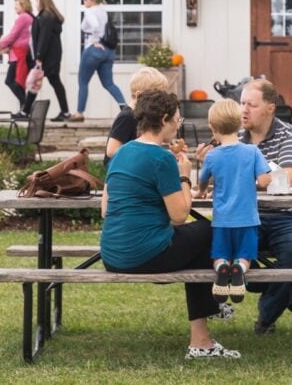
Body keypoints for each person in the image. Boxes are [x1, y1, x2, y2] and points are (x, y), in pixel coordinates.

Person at [100, 90, 239, 360]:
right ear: (164, 119)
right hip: (144, 256)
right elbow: (179, 215)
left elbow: (105, 209)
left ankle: (208, 324)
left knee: (196, 241)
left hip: (112, 255)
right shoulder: (161, 158)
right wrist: (185, 176)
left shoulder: (122, 152)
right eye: (178, 118)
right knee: (209, 232)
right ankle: (202, 337)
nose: (179, 123)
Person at [204, 78, 292, 336]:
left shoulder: (288, 135)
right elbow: (218, 176)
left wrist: (241, 179)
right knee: (213, 249)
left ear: (270, 107)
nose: (244, 110)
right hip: (244, 216)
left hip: (287, 217)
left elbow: (288, 179)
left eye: (251, 104)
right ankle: (283, 287)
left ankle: (267, 315)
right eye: (241, 104)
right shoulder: (233, 137)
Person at [197, 99, 270, 302]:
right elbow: (264, 180)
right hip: (247, 219)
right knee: (246, 255)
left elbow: (202, 182)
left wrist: (200, 192)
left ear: (212, 127)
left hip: (221, 220)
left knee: (219, 254)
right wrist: (252, 182)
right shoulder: (252, 151)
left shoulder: (212, 157)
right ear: (240, 124)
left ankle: (222, 268)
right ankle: (239, 268)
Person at [72, 0, 125, 121]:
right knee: (109, 83)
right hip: (108, 51)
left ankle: (79, 112)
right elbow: (85, 27)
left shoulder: (90, 11)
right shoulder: (103, 11)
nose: (83, 0)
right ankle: (125, 108)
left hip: (93, 50)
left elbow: (94, 26)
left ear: (93, 0)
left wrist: (95, 40)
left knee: (83, 82)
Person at [105, 66, 170, 166]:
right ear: (139, 96)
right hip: (121, 171)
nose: (161, 101)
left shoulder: (142, 115)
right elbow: (111, 150)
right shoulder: (127, 117)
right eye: (156, 98)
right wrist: (140, 153)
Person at [31, 0, 71, 122]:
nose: (35, 4)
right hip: (51, 55)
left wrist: (39, 55)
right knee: (39, 82)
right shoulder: (46, 16)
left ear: (42, 1)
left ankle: (65, 112)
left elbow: (44, 38)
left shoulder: (46, 17)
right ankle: (25, 110)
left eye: (37, 1)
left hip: (49, 56)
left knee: (43, 81)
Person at [0, 0, 34, 112]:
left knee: (10, 80)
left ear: (23, 5)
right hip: (21, 53)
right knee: (19, 82)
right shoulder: (30, 17)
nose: (14, 8)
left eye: (16, 5)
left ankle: (26, 106)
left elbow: (13, 35)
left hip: (18, 54)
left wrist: (0, 44)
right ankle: (23, 110)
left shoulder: (23, 18)